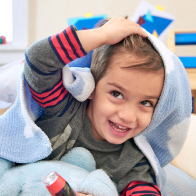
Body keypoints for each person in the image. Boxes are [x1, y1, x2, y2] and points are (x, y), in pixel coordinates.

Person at [0, 17, 192, 196]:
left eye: (146, 103)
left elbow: (143, 189)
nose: (128, 116)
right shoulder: (62, 107)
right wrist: (101, 36)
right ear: (91, 85)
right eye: (116, 94)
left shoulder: (134, 160)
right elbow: (37, 60)